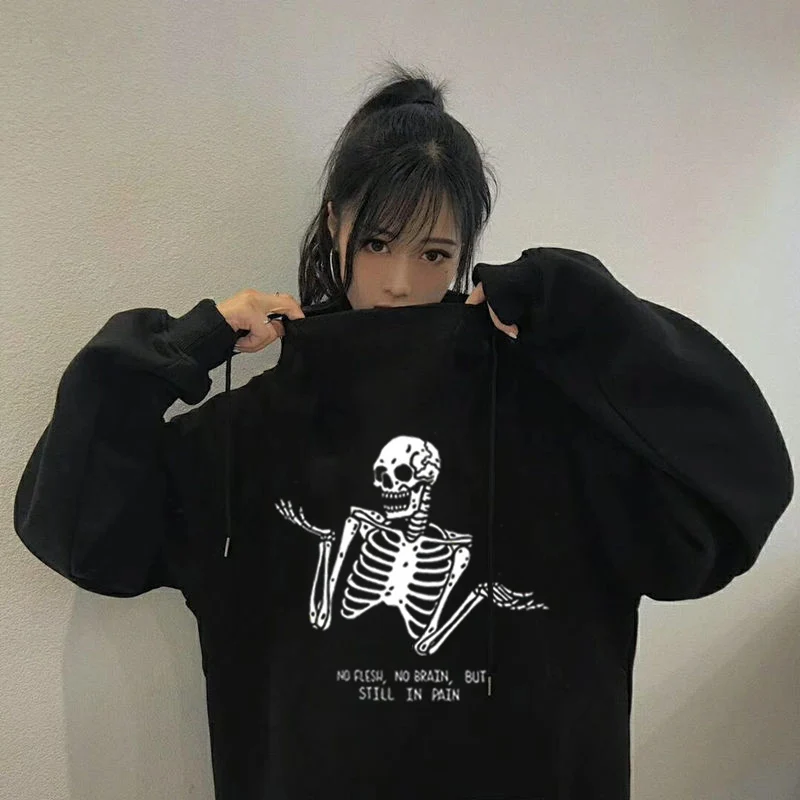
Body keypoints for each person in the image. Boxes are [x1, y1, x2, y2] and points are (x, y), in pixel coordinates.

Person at [13, 62, 794, 800]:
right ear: (335, 226)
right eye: (378, 242)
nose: (398, 283)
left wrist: (581, 314)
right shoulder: (245, 440)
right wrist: (191, 342)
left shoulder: (562, 431)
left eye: (434, 252)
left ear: (465, 254)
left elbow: (736, 486)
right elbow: (77, 529)